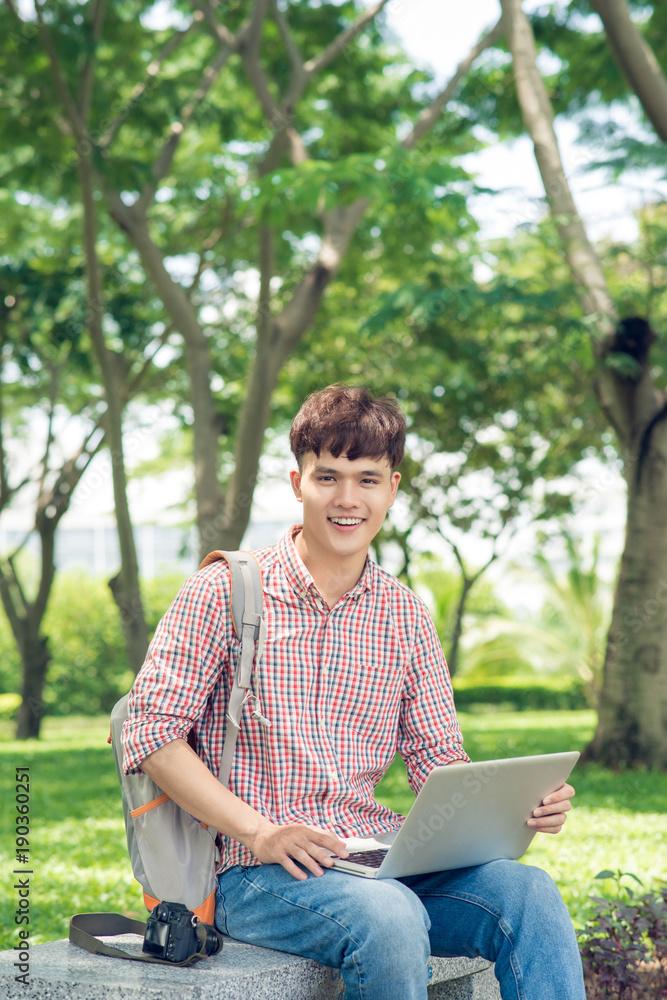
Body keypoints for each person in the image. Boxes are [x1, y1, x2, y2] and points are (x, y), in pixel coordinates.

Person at [122, 385, 586, 1000]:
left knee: (529, 894)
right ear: (297, 483)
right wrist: (262, 832)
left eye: (367, 479)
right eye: (328, 477)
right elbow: (151, 734)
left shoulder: (405, 615)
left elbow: (436, 757)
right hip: (253, 872)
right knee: (389, 916)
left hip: (375, 856)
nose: (347, 499)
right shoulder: (222, 593)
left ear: (392, 488)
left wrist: (512, 807)